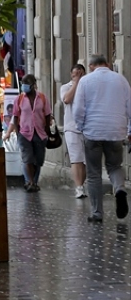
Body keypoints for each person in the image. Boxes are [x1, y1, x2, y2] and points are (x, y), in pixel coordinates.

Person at [69, 54, 131, 223]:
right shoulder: (121, 81)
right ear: (108, 64)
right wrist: (129, 130)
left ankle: (97, 213)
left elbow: (78, 109)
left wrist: (81, 127)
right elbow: (129, 107)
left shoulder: (85, 81)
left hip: (93, 132)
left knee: (94, 173)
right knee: (115, 166)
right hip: (116, 132)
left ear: (90, 66)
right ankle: (119, 189)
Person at [6, 73, 51, 192]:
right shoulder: (19, 99)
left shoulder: (42, 98)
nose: (24, 86)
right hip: (24, 133)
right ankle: (30, 181)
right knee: (28, 158)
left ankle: (33, 181)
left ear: (33, 85)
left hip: (40, 133)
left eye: (26, 84)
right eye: (23, 84)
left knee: (38, 160)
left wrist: (47, 130)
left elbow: (47, 114)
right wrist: (17, 132)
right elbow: (15, 116)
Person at [59, 64, 87, 199]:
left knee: (85, 160)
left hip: (87, 128)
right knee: (76, 159)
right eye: (76, 74)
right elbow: (66, 99)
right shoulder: (66, 87)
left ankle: (83, 183)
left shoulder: (88, 87)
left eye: (80, 74)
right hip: (71, 127)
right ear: (71, 75)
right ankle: (79, 187)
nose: (78, 76)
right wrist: (76, 84)